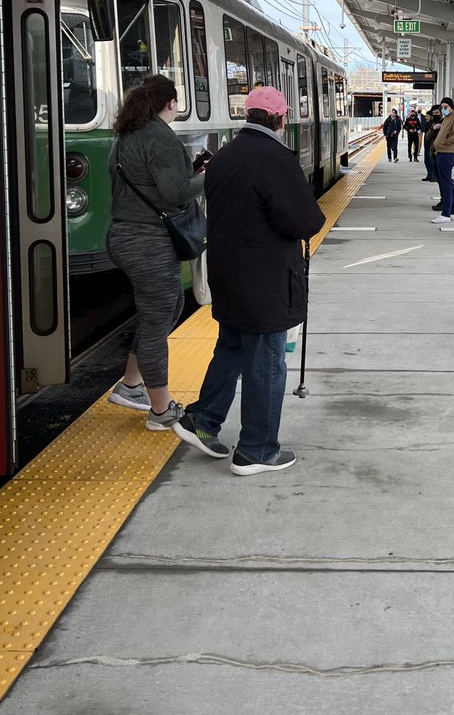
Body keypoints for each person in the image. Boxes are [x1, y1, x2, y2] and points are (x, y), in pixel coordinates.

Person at [173, 86, 326, 474]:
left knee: (233, 348)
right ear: (279, 119)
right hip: (266, 280)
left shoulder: (224, 157)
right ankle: (257, 449)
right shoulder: (276, 159)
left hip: (227, 273)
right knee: (267, 362)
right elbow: (305, 222)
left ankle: (202, 420)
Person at [106, 75, 205, 431]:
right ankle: (161, 411)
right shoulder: (159, 136)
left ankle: (131, 386)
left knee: (164, 310)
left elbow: (150, 184)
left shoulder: (126, 135)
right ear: (170, 103)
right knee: (159, 316)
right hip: (146, 240)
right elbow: (176, 193)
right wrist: (210, 174)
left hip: (127, 235)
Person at [431, 96, 454, 223]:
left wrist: (444, 142)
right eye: (442, 107)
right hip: (441, 153)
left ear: (451, 107)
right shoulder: (446, 118)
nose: (443, 109)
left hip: (446, 153)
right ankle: (451, 212)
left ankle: (445, 214)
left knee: (446, 184)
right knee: (447, 183)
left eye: (446, 107)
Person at [421, 105, 442, 182]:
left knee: (433, 162)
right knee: (428, 161)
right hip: (429, 145)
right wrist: (433, 129)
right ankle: (430, 175)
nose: (426, 117)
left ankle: (434, 176)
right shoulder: (432, 124)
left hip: (435, 147)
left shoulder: (444, 122)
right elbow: (427, 136)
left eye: (437, 113)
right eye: (433, 113)